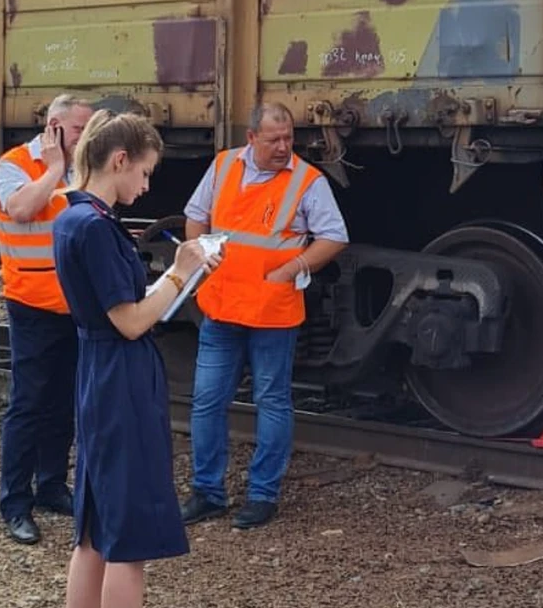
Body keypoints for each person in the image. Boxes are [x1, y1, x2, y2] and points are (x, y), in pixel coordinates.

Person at [52, 110, 222, 608]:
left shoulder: (72, 218)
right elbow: (130, 321)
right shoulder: (98, 228)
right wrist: (179, 271)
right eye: (144, 172)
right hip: (122, 380)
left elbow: (118, 310)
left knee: (94, 526)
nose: (146, 186)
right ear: (120, 160)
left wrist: (179, 279)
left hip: (96, 375)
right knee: (130, 538)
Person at [180, 101, 349, 529]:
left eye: (288, 138)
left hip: (272, 310)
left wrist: (293, 268)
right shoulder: (223, 166)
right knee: (207, 401)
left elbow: (335, 236)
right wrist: (199, 258)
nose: (283, 147)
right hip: (222, 306)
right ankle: (208, 493)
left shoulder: (307, 180)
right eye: (273, 139)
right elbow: (194, 218)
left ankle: (262, 495)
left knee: (271, 401)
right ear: (251, 137)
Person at [0, 93, 93, 544]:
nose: (85, 137)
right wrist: (54, 168)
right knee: (28, 404)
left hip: (74, 304)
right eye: (77, 130)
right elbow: (20, 209)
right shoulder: (13, 164)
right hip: (31, 304)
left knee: (63, 402)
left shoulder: (83, 167)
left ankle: (51, 485)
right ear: (53, 127)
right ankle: (15, 501)